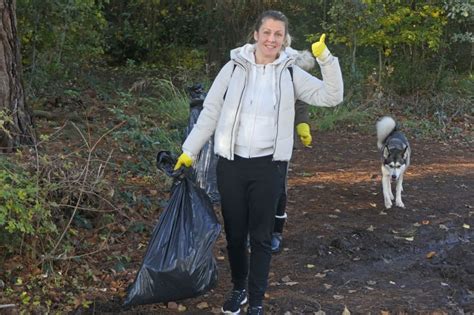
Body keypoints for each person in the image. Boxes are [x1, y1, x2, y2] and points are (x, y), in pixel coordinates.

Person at [174, 10, 343, 314]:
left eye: (278, 34)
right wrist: (190, 150)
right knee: (236, 235)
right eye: (267, 32)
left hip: (269, 167)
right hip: (231, 166)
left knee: (262, 238)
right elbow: (210, 111)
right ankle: (239, 289)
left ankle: (256, 302)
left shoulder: (290, 73)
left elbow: (332, 96)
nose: (271, 39)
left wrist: (325, 59)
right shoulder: (233, 68)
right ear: (255, 34)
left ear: (284, 39)